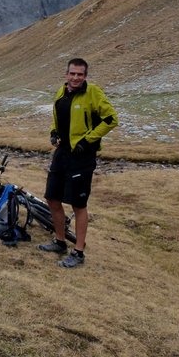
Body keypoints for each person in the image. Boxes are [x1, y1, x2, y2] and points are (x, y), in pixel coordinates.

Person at [38, 58, 118, 268]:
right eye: (72, 74)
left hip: (82, 157)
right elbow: (57, 117)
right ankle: (60, 241)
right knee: (52, 198)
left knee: (78, 204)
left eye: (80, 74)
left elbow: (111, 119)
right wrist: (54, 132)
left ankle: (79, 252)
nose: (75, 78)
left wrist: (87, 140)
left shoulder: (93, 93)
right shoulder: (61, 92)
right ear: (66, 75)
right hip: (62, 153)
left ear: (85, 76)